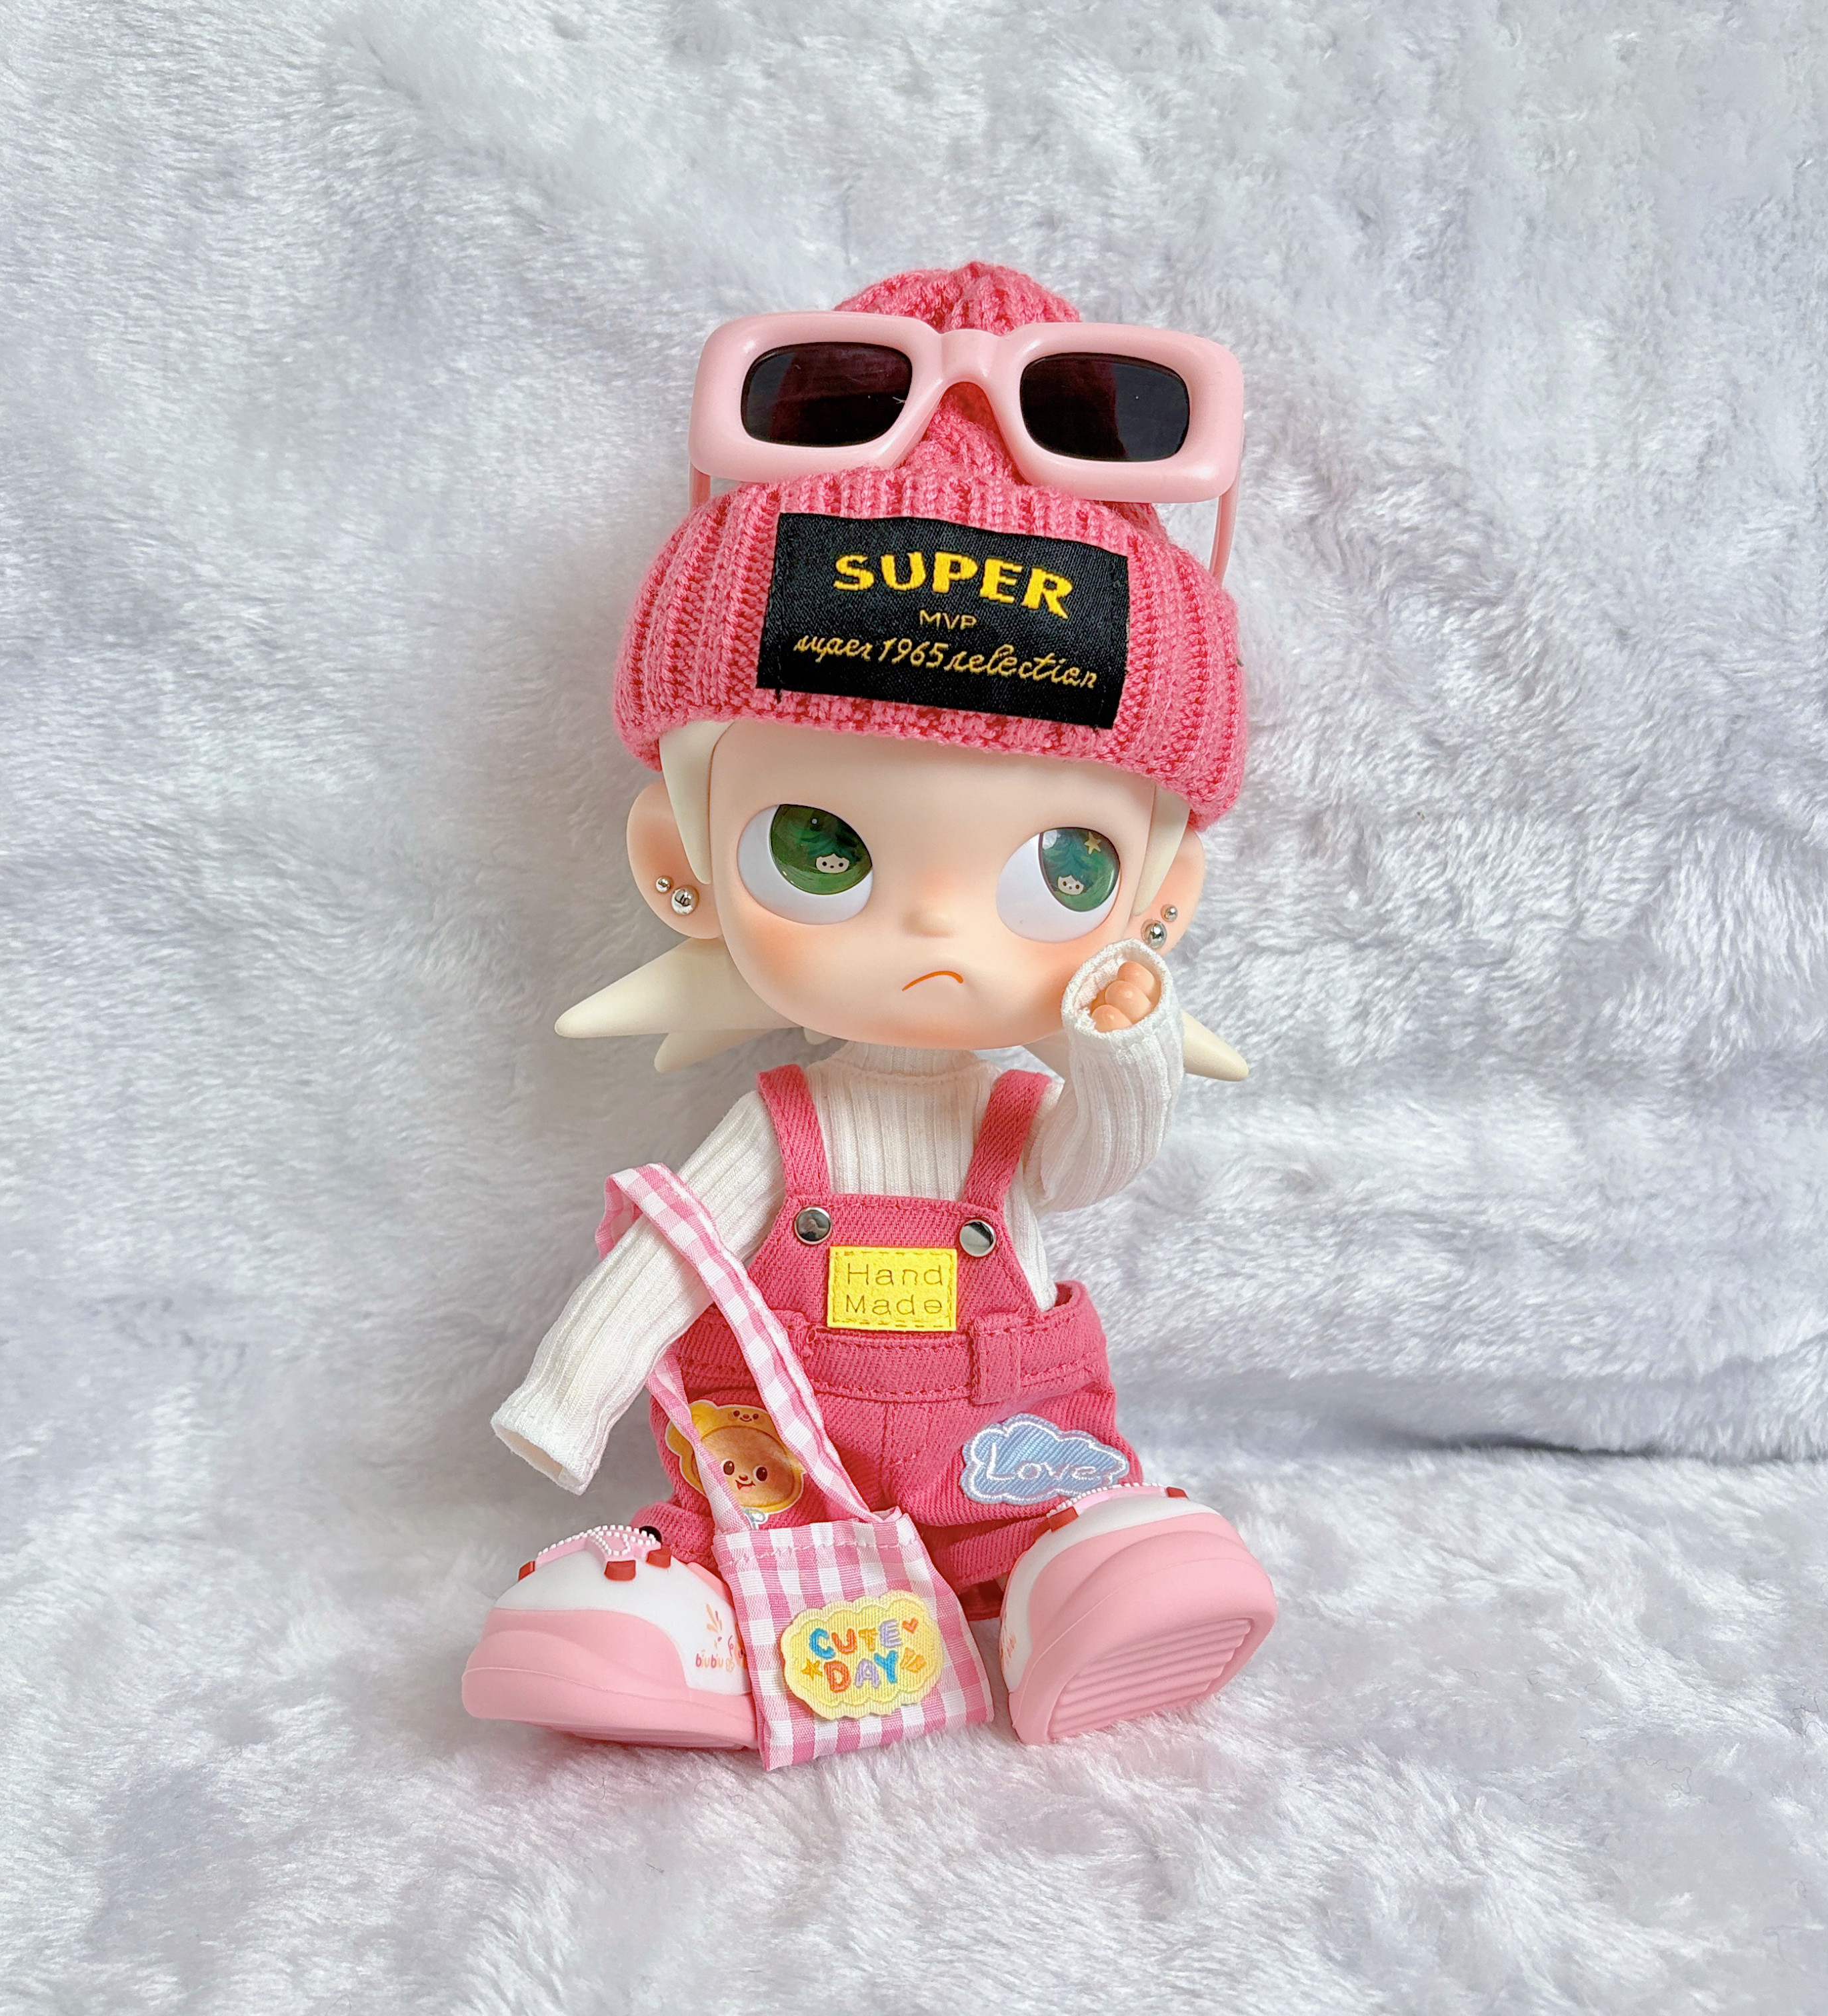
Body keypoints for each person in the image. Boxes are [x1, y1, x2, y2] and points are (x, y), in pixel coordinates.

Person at [463, 262, 1276, 1752]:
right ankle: (677, 1615)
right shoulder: (785, 1123)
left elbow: (1096, 1159)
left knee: (1084, 1512)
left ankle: (1078, 1574)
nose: (936, 934)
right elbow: (675, 1256)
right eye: (822, 850)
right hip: (791, 1460)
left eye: (1062, 868)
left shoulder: (1013, 1108)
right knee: (705, 1537)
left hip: (1007, 1446)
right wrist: (567, 1402)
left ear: (1158, 901)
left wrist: (1123, 1041)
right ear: (680, 866)